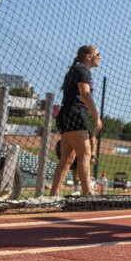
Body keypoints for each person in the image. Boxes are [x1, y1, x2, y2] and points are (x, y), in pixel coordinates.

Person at [50, 45, 103, 196]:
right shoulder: (82, 70)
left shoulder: (76, 70)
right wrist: (96, 117)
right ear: (88, 56)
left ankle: (53, 195)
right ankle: (88, 194)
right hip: (75, 114)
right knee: (85, 154)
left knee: (67, 159)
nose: (99, 57)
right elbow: (85, 93)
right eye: (97, 54)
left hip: (65, 114)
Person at [55, 130, 96, 195]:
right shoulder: (65, 132)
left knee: (82, 172)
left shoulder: (83, 129)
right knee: (75, 173)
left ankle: (89, 188)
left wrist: (93, 154)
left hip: (82, 152)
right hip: (73, 152)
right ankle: (78, 190)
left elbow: (93, 138)